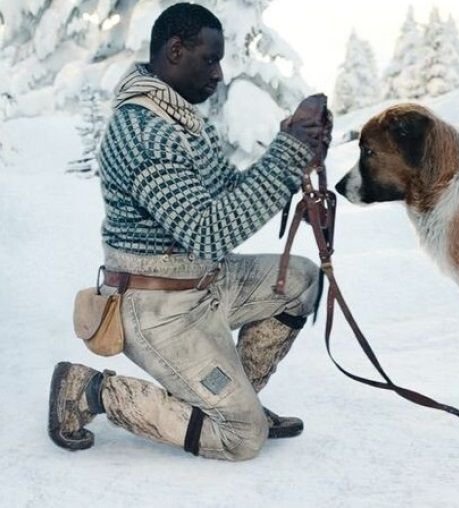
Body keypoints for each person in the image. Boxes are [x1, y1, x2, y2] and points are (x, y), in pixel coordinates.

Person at [48, 2, 331, 461]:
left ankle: (234, 397)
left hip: (207, 282)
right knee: (242, 439)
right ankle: (89, 391)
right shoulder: (143, 132)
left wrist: (294, 149)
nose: (219, 74)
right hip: (158, 306)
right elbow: (208, 231)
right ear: (175, 51)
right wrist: (289, 152)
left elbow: (229, 195)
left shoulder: (181, 122)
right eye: (210, 58)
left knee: (300, 278)